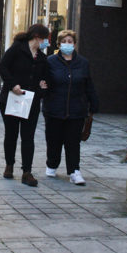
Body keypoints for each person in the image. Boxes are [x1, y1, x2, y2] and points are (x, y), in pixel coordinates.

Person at [43, 30, 99, 186]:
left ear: (74, 44)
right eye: (64, 41)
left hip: (76, 109)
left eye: (70, 41)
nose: (67, 44)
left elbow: (88, 85)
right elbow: (45, 83)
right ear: (59, 44)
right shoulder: (51, 61)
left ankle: (74, 171)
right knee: (53, 141)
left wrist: (93, 104)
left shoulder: (83, 63)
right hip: (54, 108)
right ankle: (52, 164)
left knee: (73, 142)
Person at [0, 23, 50, 187]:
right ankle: (9, 165)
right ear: (37, 37)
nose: (46, 42)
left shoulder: (42, 58)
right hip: (12, 98)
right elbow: (3, 66)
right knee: (11, 134)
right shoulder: (17, 49)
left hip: (31, 101)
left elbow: (45, 79)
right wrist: (13, 84)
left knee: (28, 136)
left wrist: (42, 87)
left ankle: (27, 171)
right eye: (45, 39)